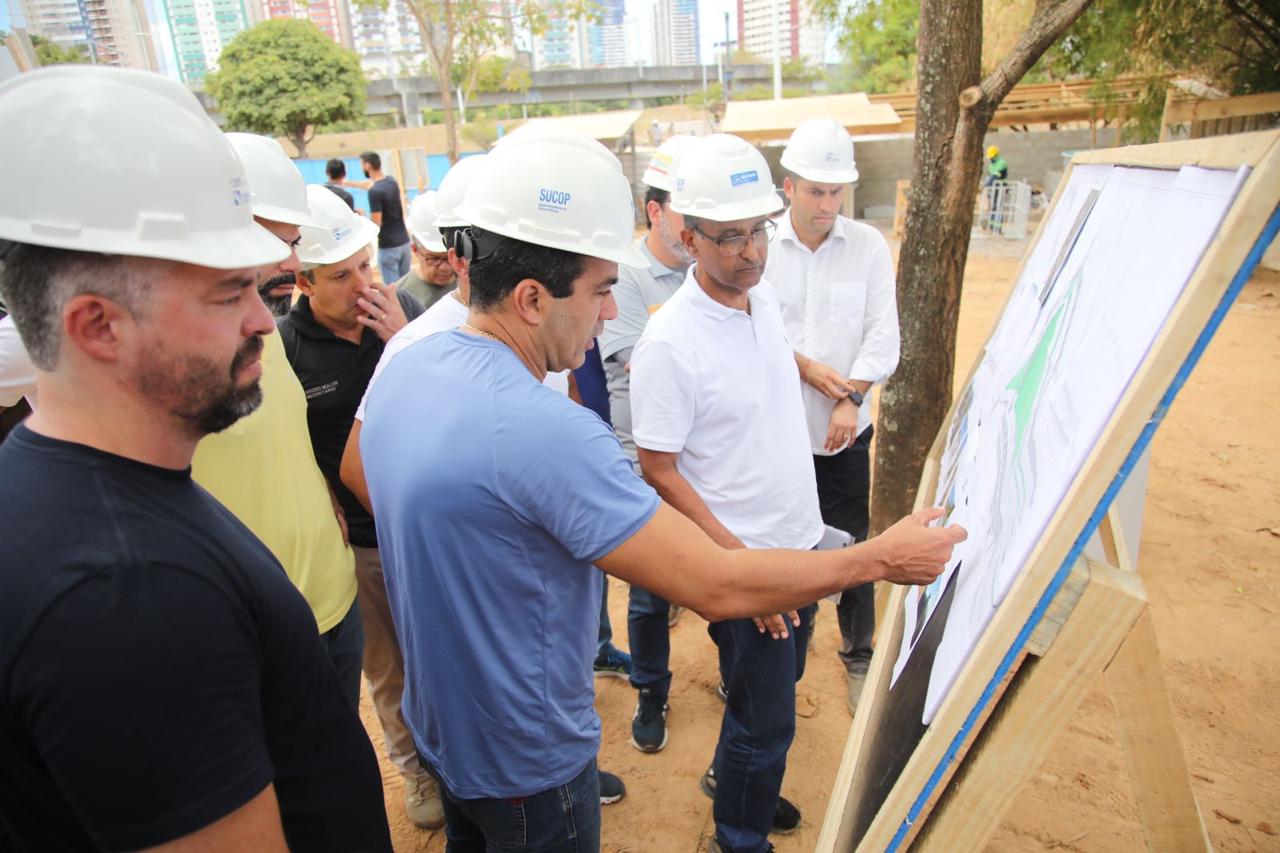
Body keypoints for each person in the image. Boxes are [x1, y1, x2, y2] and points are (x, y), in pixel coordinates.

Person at [359, 130, 964, 853]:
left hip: (445, 729)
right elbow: (713, 582)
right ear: (528, 297)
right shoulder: (548, 431)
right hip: (528, 756)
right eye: (601, 290)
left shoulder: (407, 368)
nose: (612, 314)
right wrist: (880, 559)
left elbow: (370, 481)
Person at [0, 65, 390, 852]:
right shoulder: (129, 597)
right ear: (98, 325)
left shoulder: (74, 488)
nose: (259, 319)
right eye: (226, 293)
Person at [629, 132, 828, 853]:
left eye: (758, 232)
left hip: (798, 543)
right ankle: (738, 836)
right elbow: (659, 467)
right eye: (730, 236)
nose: (751, 251)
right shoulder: (671, 344)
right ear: (687, 237)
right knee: (767, 717)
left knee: (773, 688)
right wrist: (740, 565)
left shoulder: (761, 298)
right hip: (743, 564)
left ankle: (739, 778)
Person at [276, 186, 440, 828]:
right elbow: (290, 438)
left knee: (437, 649)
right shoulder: (288, 347)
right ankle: (415, 772)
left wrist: (404, 340)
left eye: (366, 265)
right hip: (364, 540)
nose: (361, 282)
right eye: (341, 274)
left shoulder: (400, 310)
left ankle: (451, 756)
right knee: (387, 665)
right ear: (305, 283)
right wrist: (324, 497)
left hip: (423, 526)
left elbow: (440, 399)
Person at [768, 117, 901, 716]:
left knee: (852, 544)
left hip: (845, 433)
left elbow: (883, 336)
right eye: (815, 190)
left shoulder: (868, 246)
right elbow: (753, 327)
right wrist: (804, 368)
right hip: (777, 434)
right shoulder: (761, 246)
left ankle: (859, 656)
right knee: (786, 545)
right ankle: (785, 660)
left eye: (835, 191)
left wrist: (849, 397)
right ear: (789, 185)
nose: (826, 203)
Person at [597, 134, 700, 754]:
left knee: (728, 571)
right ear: (655, 211)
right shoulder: (628, 275)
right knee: (651, 591)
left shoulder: (706, 266)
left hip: (707, 458)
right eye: (691, 214)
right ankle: (652, 691)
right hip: (646, 463)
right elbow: (643, 366)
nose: (702, 231)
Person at [355, 150, 412, 284]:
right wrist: (346, 183)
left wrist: (362, 218)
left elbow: (376, 224)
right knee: (406, 287)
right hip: (404, 243)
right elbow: (367, 185)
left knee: (394, 290)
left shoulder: (374, 192)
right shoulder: (392, 182)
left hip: (388, 246)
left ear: (368, 166)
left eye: (362, 165)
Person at [397, 189, 458, 311]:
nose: (445, 268)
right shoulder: (402, 296)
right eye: (434, 259)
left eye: (450, 257)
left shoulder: (469, 283)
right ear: (415, 250)